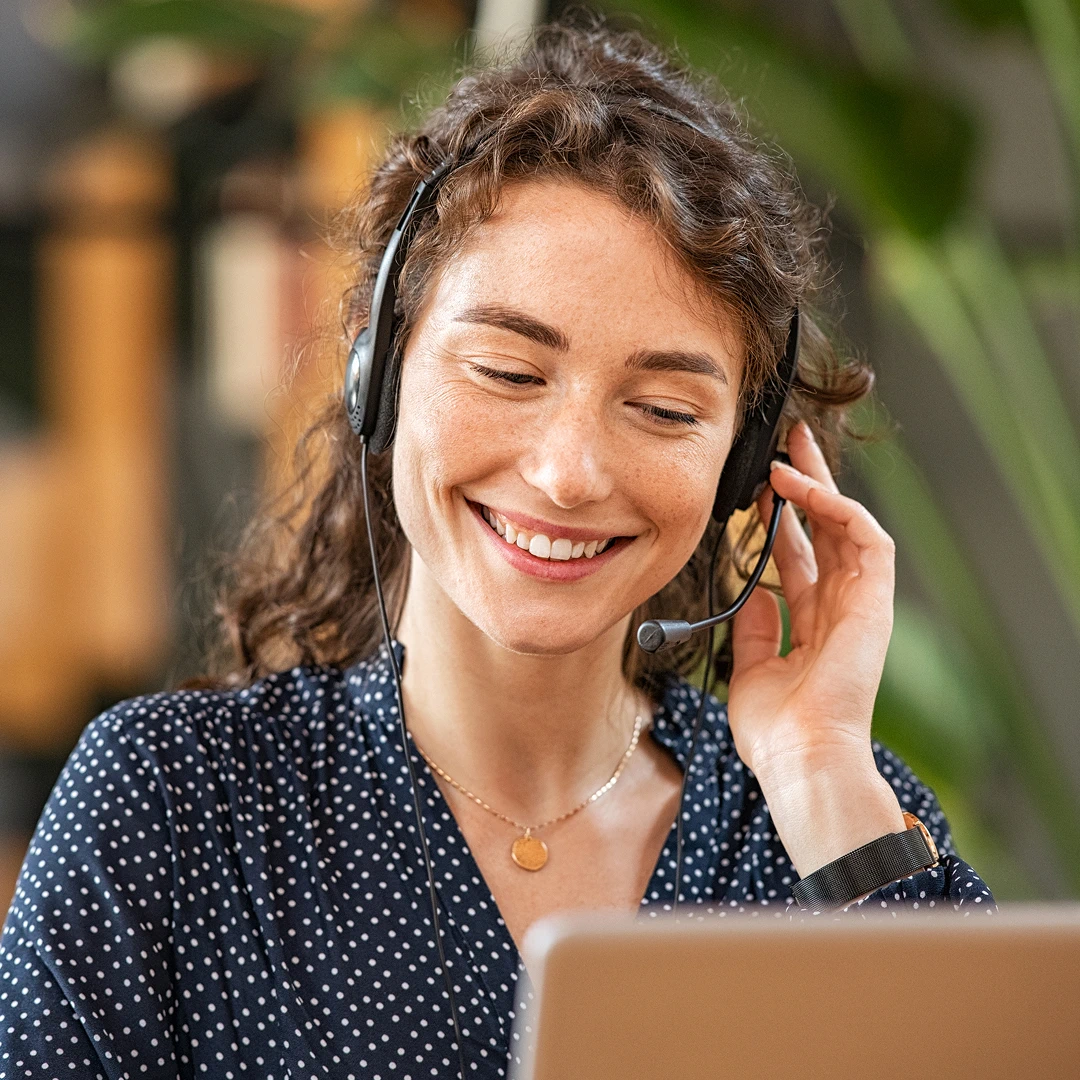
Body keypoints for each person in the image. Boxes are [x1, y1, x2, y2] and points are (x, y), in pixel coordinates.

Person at [0, 15, 993, 1080]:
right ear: (376, 377)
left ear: (745, 464)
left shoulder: (827, 822)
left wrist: (818, 776)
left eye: (662, 409)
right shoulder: (175, 804)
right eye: (509, 374)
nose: (569, 472)